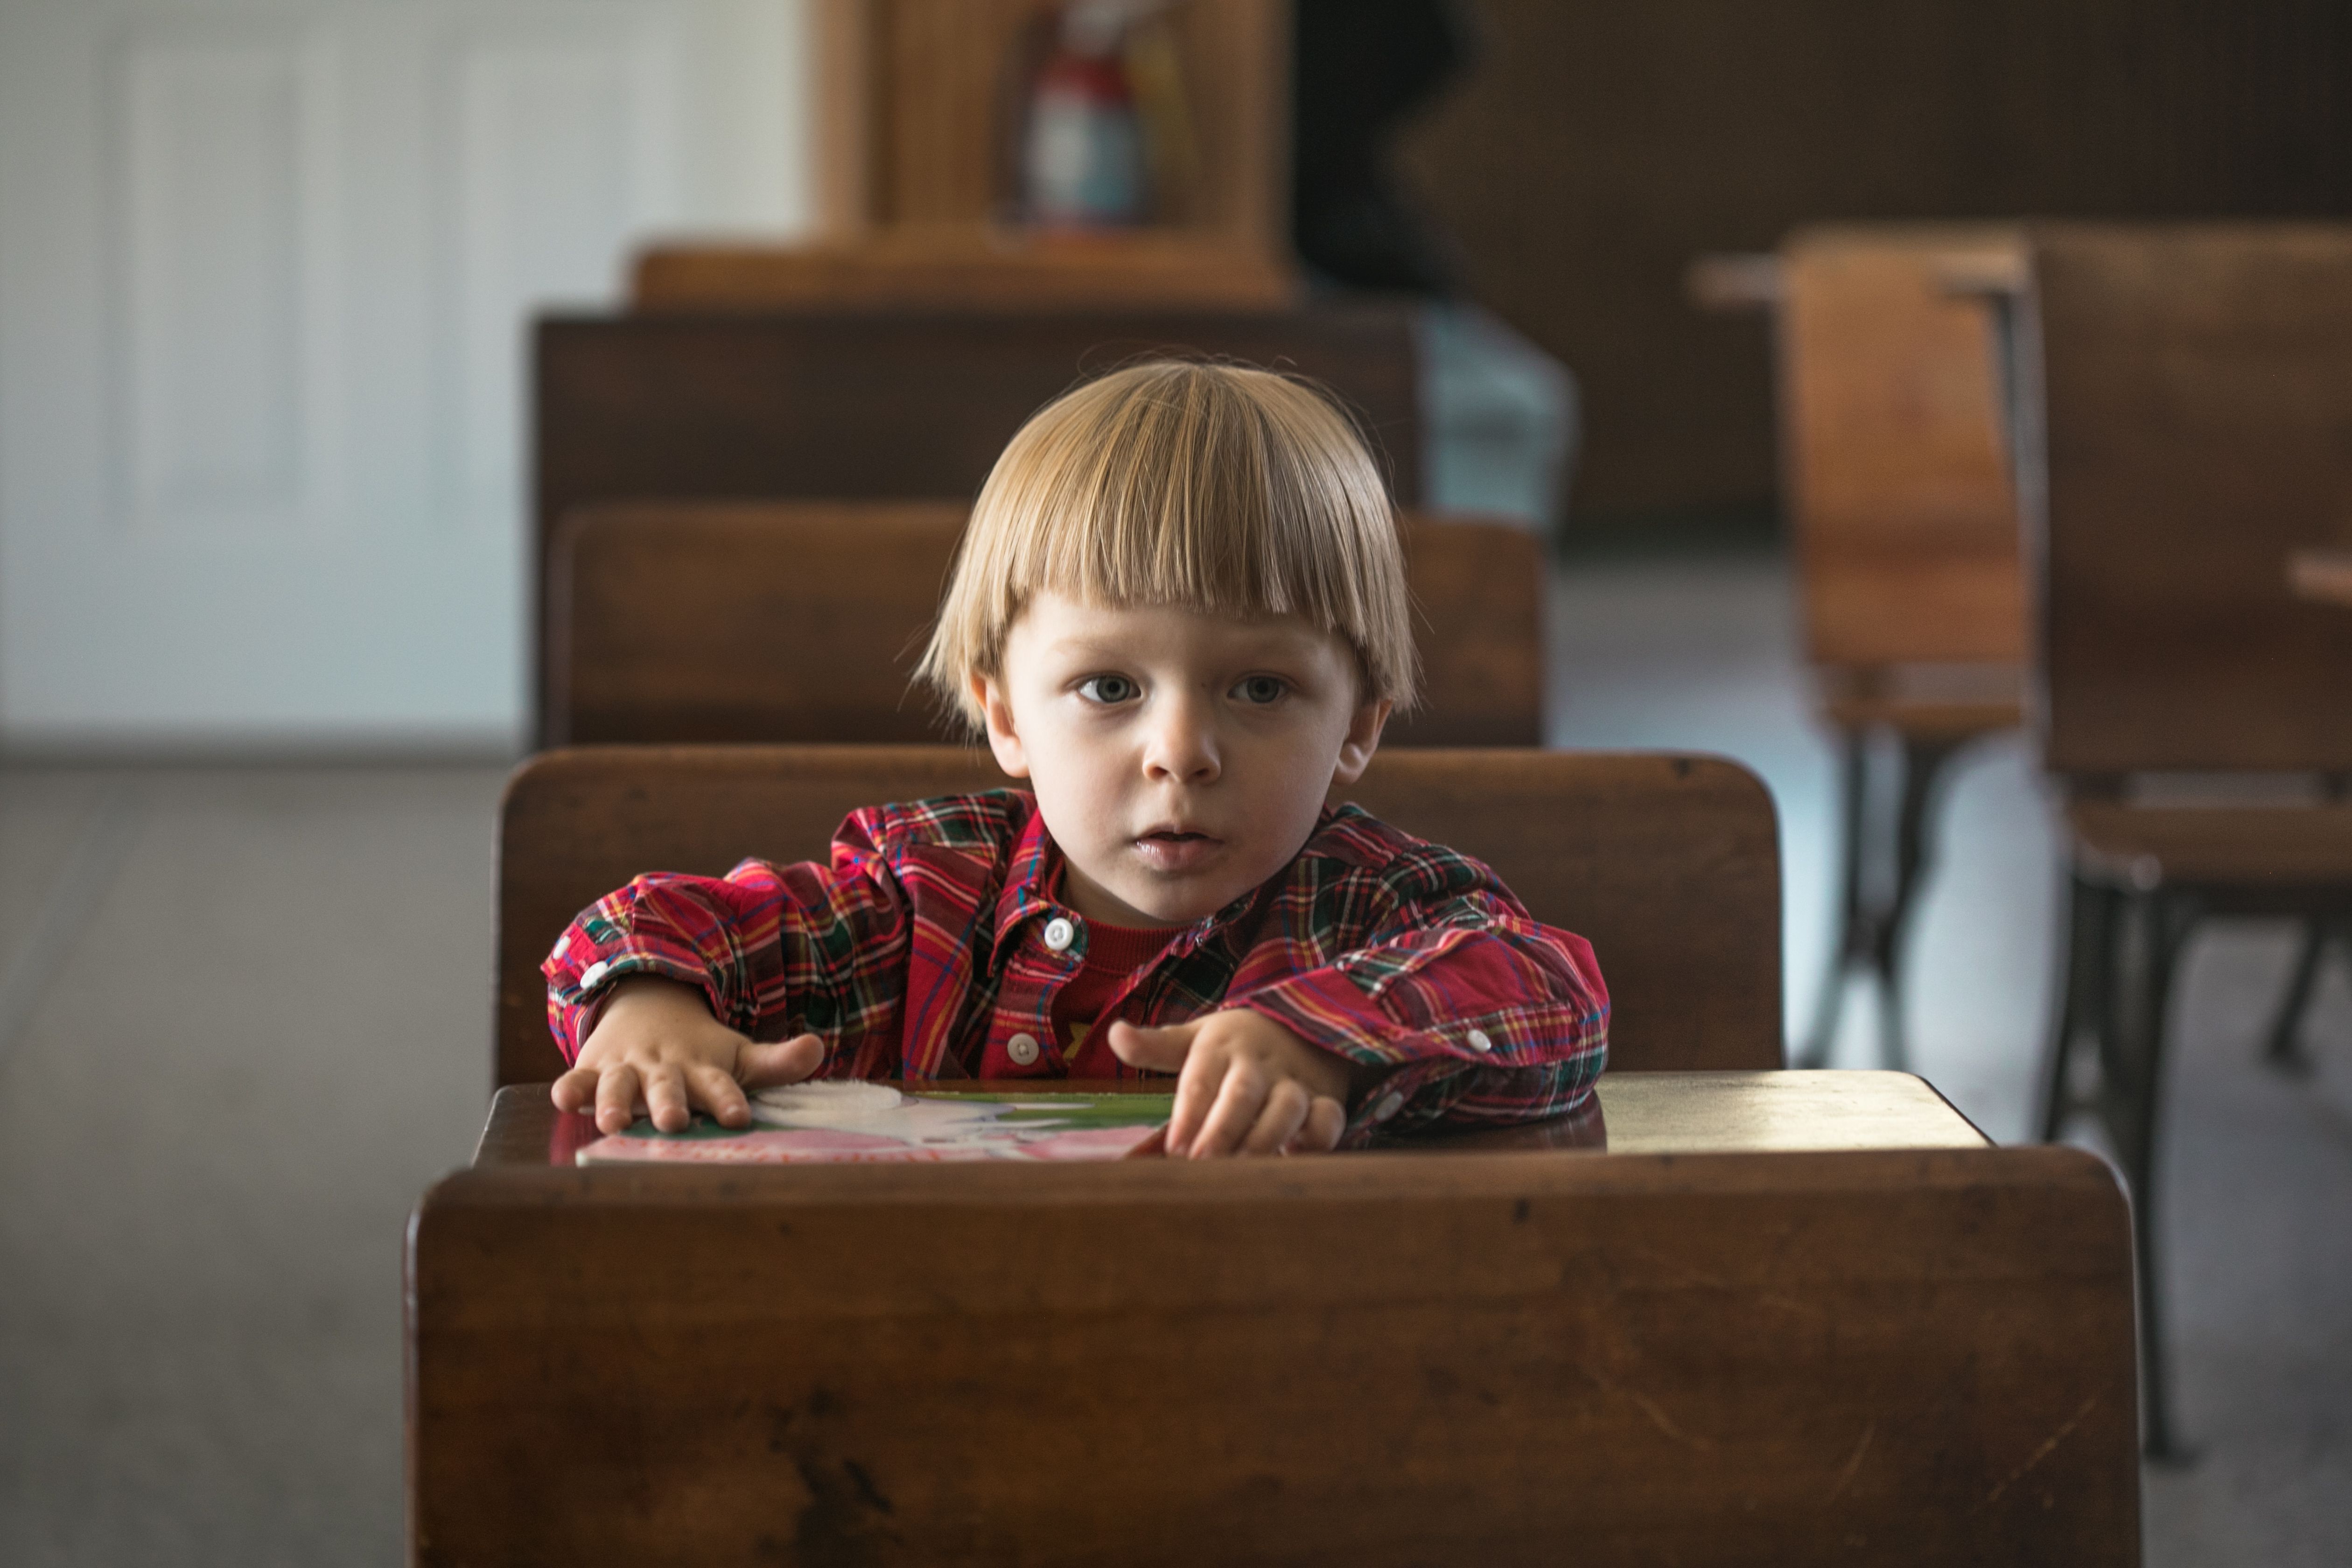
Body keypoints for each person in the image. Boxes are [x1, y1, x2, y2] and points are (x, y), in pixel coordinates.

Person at [545, 359, 1606, 1157]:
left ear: (1360, 725)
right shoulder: (923, 897)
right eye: (1110, 689)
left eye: (1261, 690)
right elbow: (642, 925)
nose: (1182, 752)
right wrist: (649, 1014)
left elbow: (1551, 993)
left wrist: (1329, 1038)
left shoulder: (1376, 911)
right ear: (1006, 717)